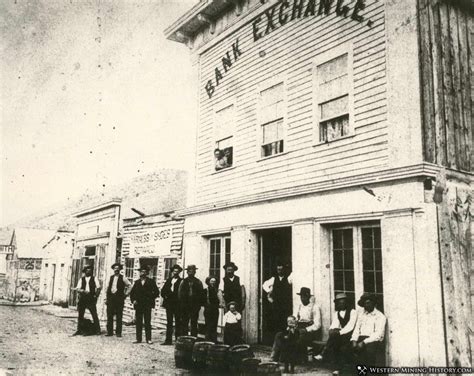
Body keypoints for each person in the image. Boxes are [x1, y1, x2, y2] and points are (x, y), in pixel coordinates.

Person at [314, 292, 357, 364]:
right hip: (340, 335)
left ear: (346, 302)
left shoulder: (353, 312)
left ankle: (323, 353)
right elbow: (334, 324)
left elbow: (350, 326)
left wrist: (339, 332)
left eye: (343, 302)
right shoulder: (337, 313)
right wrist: (331, 330)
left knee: (335, 336)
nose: (341, 304)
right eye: (339, 303)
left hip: (350, 335)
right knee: (334, 334)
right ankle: (333, 362)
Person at [350, 293, 386, 365]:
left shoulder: (380, 316)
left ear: (374, 303)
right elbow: (357, 329)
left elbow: (378, 335)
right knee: (349, 349)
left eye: (368, 303)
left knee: (368, 353)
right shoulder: (362, 315)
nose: (366, 305)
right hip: (361, 339)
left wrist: (363, 343)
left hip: (373, 341)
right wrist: (354, 340)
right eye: (365, 304)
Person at [129, 265, 160, 344]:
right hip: (138, 305)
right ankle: (138, 339)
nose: (142, 273)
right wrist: (133, 300)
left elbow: (156, 292)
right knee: (138, 322)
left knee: (147, 322)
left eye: (144, 272)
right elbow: (132, 293)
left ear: (147, 273)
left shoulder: (151, 282)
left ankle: (148, 339)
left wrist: (150, 299)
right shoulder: (137, 282)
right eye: (141, 271)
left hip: (147, 305)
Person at [262, 260, 293, 334]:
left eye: (281, 269)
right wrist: (269, 291)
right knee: (276, 321)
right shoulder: (274, 279)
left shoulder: (288, 278)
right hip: (276, 304)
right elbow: (264, 284)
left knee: (285, 321)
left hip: (285, 304)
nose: (280, 271)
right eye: (278, 269)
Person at [73, 265, 101, 336]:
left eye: (90, 270)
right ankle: (79, 330)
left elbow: (98, 288)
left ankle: (98, 330)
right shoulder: (81, 279)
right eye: (87, 270)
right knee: (80, 314)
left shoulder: (94, 278)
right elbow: (78, 288)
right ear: (85, 271)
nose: (89, 271)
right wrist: (82, 291)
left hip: (91, 298)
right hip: (83, 298)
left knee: (94, 314)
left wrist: (96, 296)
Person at [105, 263, 132, 337]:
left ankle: (118, 332)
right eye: (115, 268)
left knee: (119, 316)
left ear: (120, 269)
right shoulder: (110, 278)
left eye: (118, 268)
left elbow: (130, 286)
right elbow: (107, 288)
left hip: (119, 299)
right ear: (113, 269)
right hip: (111, 298)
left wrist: (126, 294)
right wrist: (106, 298)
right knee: (109, 315)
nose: (116, 269)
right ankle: (109, 332)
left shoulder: (123, 278)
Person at [294, 287, 321, 356]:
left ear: (308, 297)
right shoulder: (299, 306)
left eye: (304, 297)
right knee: (282, 335)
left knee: (300, 338)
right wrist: (293, 324)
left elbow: (317, 325)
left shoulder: (315, 307)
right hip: (299, 328)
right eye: (301, 297)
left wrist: (306, 329)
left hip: (310, 331)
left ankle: (297, 358)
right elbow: (295, 318)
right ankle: (277, 357)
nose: (302, 299)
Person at [178, 264, 204, 337]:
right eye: (189, 271)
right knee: (184, 322)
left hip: (194, 306)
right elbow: (179, 294)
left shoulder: (198, 282)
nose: (191, 273)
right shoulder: (183, 282)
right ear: (187, 272)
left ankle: (193, 338)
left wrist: (198, 305)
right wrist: (182, 304)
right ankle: (184, 338)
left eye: (193, 271)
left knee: (194, 322)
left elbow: (201, 294)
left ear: (195, 272)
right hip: (185, 305)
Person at [160, 264, 183, 345]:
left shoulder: (181, 281)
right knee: (169, 322)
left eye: (177, 271)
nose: (175, 273)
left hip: (177, 304)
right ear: (172, 272)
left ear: (179, 272)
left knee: (178, 322)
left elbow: (182, 293)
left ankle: (178, 340)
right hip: (169, 304)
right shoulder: (169, 280)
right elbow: (163, 291)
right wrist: (166, 296)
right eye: (174, 271)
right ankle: (168, 340)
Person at [203, 276, 222, 342]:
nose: (213, 283)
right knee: (208, 325)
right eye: (211, 281)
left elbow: (220, 301)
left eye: (214, 281)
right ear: (208, 282)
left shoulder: (218, 291)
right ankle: (207, 341)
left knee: (214, 325)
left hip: (215, 310)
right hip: (208, 310)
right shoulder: (205, 290)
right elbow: (202, 300)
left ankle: (214, 341)